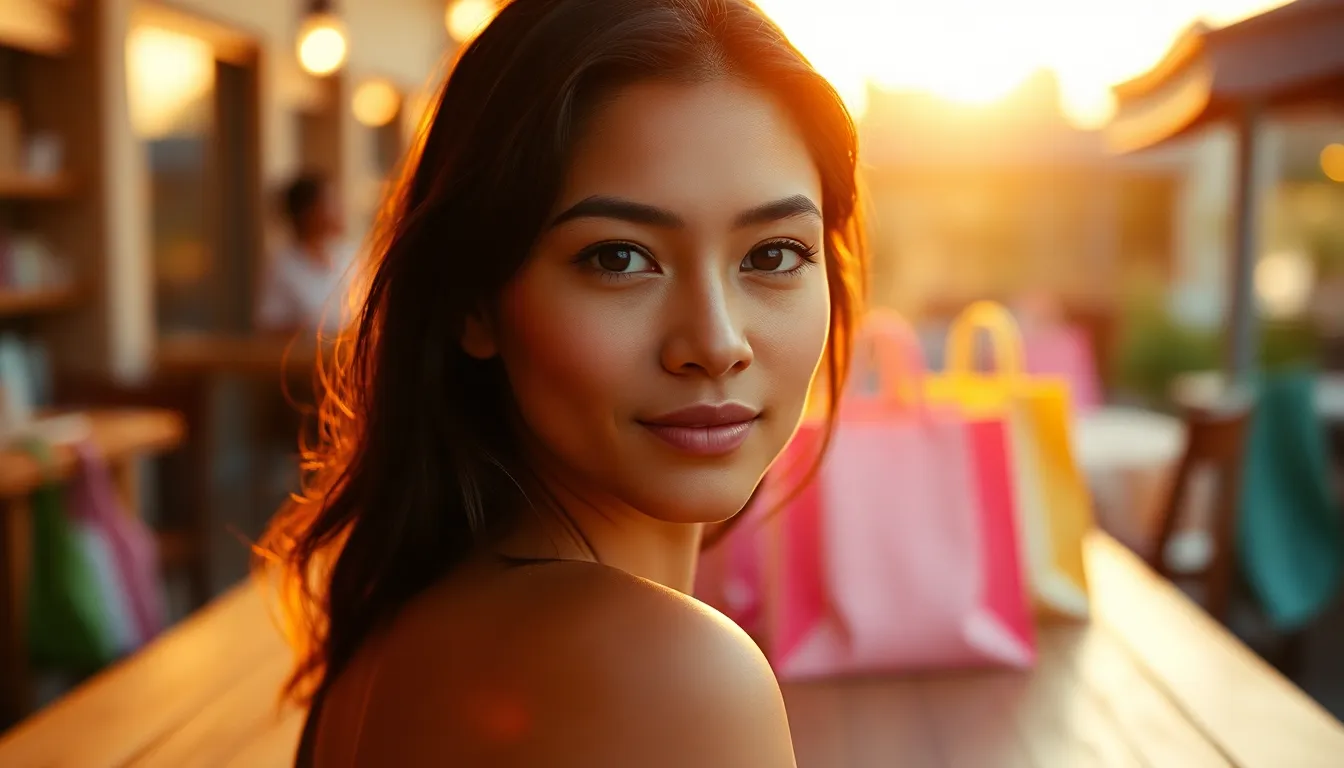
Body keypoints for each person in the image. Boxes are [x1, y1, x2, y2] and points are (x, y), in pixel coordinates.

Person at [260, 0, 864, 764]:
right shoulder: (668, 678)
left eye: (772, 255)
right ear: (473, 302)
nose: (715, 342)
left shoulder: (414, 618)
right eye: (619, 258)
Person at [255, 173, 357, 335]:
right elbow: (270, 325)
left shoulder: (349, 255)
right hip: (305, 358)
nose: (340, 208)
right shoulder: (283, 265)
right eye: (330, 202)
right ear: (308, 212)